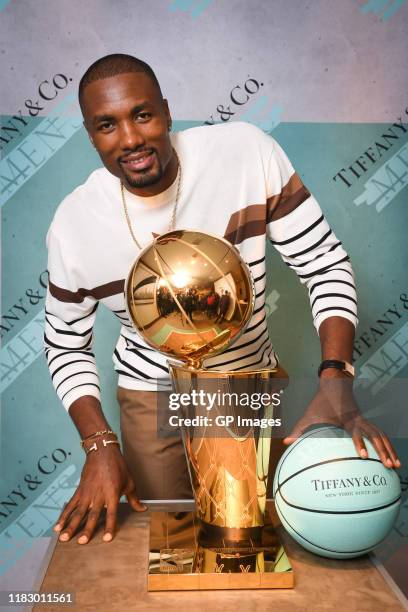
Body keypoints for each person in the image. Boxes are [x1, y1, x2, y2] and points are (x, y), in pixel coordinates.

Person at [44, 53, 400, 546]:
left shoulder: (245, 153)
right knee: (170, 549)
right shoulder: (75, 224)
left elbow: (324, 263)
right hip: (152, 396)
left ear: (166, 112)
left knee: (247, 545)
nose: (130, 139)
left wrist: (336, 375)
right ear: (90, 135)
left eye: (142, 115)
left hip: (245, 386)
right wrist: (99, 445)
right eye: (107, 125)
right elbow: (64, 343)